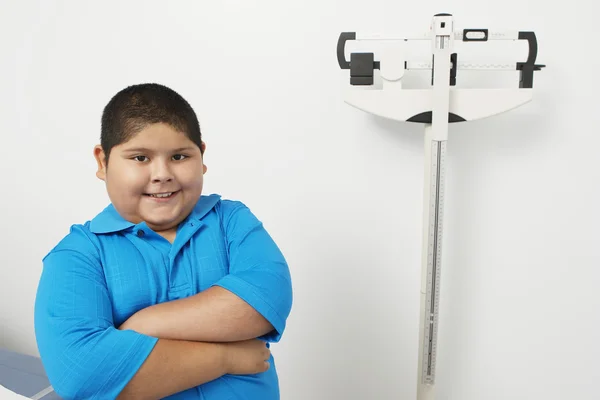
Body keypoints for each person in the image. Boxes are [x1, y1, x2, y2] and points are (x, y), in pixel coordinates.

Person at [33, 83, 293, 399]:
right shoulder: (78, 256)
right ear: (103, 162)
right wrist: (226, 358)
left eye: (180, 156)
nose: (162, 174)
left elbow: (265, 300)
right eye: (140, 157)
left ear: (202, 157)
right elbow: (82, 375)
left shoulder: (231, 221)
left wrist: (141, 324)